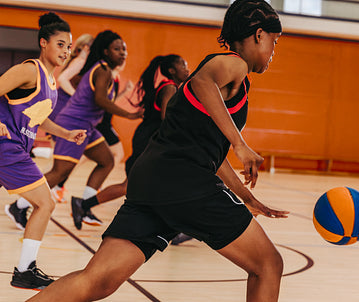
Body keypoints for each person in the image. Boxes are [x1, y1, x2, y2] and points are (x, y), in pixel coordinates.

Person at [29, 0, 287, 301]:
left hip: (152, 179)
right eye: (274, 41)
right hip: (184, 180)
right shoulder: (233, 63)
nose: (273, 50)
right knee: (268, 264)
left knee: (97, 280)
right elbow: (203, 80)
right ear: (258, 35)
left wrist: (247, 198)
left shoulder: (233, 80)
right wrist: (240, 144)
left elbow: (210, 155)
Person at [6, 30, 144, 231]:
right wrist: (130, 115)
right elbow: (100, 100)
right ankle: (18, 206)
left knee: (107, 161)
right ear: (105, 51)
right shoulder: (102, 70)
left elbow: (102, 101)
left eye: (124, 49)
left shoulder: (106, 72)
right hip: (73, 123)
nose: (122, 52)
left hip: (87, 126)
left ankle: (84, 204)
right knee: (60, 171)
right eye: (117, 49)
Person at [1, 12, 87, 290]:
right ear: (43, 43)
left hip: (16, 149)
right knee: (45, 203)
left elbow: (40, 118)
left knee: (44, 203)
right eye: (60, 44)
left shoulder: (51, 85)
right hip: (6, 147)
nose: (66, 51)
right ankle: (25, 270)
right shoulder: (29, 69)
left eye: (69, 46)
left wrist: (66, 133)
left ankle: (26, 270)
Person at [71, 54, 190, 232]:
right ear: (172, 70)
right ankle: (178, 227)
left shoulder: (168, 87)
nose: (187, 69)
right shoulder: (170, 88)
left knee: (141, 186)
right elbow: (167, 120)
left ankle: (84, 204)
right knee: (136, 186)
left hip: (148, 139)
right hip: (151, 143)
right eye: (183, 65)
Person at [49, 33, 94, 204]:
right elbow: (61, 79)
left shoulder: (83, 63)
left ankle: (56, 185)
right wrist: (78, 97)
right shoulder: (80, 61)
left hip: (64, 107)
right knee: (65, 156)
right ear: (87, 48)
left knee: (65, 156)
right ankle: (54, 185)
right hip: (63, 107)